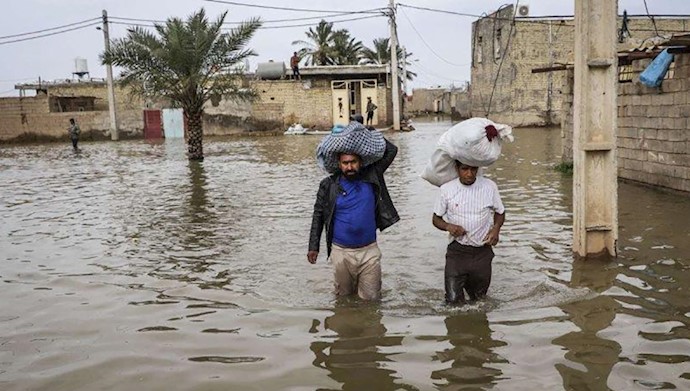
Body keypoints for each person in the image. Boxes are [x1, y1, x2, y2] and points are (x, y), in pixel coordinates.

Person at [308, 127, 399, 300]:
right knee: (343, 299)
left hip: (369, 252)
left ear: (361, 162)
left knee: (371, 301)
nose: (349, 167)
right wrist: (313, 247)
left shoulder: (372, 175)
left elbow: (392, 151)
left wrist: (368, 131)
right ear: (338, 164)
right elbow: (318, 216)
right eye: (345, 163)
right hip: (341, 253)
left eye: (353, 162)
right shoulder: (328, 185)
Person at [432, 160, 505, 305]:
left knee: (479, 300)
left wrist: (496, 229)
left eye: (473, 169)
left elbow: (500, 212)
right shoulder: (447, 189)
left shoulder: (489, 187)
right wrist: (449, 227)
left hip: (482, 252)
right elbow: (436, 219)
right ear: (457, 169)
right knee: (453, 302)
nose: (469, 174)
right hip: (457, 253)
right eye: (465, 169)